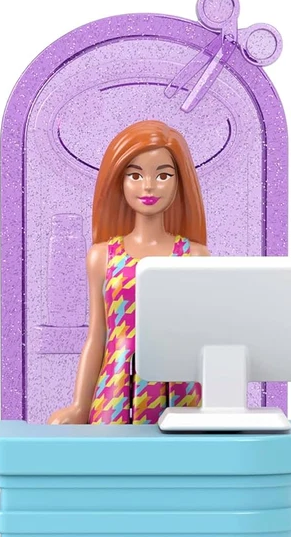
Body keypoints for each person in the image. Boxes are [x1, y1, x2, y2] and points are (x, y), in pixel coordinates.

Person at [48, 120, 209, 425]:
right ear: (119, 182)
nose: (148, 186)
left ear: (179, 183)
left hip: (180, 392)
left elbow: (205, 338)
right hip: (116, 386)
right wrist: (80, 405)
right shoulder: (102, 257)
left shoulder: (194, 256)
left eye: (163, 175)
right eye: (135, 175)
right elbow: (97, 335)